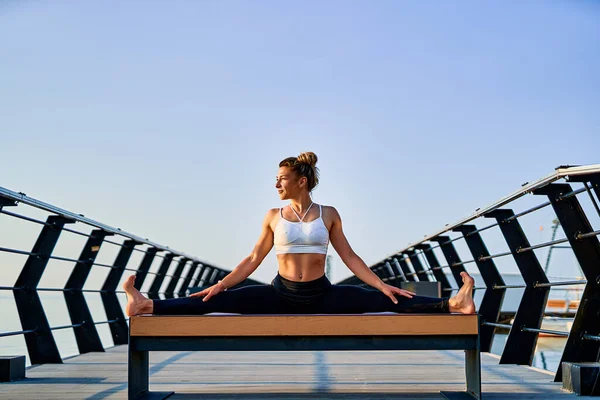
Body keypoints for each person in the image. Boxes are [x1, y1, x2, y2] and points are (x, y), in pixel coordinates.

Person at [124, 152, 475, 316]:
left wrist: (379, 283)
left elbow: (350, 257)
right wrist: (223, 283)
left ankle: (454, 304)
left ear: (301, 181)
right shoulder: (273, 216)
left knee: (387, 298)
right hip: (280, 293)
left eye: (282, 178)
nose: (276, 183)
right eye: (276, 178)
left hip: (322, 294)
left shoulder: (330, 214)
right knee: (215, 299)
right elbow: (253, 258)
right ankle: (146, 304)